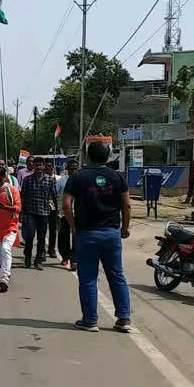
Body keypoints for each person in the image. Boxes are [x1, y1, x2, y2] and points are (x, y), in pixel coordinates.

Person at [63, 142, 132, 333]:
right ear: (108, 155)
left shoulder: (78, 176)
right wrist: (124, 228)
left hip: (87, 234)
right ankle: (124, 319)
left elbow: (66, 205)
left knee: (88, 278)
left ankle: (90, 320)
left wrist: (74, 227)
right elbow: (126, 206)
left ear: (87, 156)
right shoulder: (117, 176)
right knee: (116, 275)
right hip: (111, 233)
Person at [21, 157, 58, 270]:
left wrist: (57, 211)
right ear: (33, 166)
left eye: (40, 165)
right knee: (30, 237)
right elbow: (23, 196)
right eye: (36, 165)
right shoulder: (27, 179)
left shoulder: (49, 180)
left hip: (44, 213)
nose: (38, 167)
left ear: (43, 167)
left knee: (41, 238)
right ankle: (27, 256)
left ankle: (38, 260)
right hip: (30, 212)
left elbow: (54, 196)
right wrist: (21, 213)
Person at [57, 159, 79, 269]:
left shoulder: (82, 181)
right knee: (63, 236)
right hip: (64, 214)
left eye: (75, 169)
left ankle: (74, 259)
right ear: (67, 170)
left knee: (76, 237)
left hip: (78, 214)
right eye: (71, 169)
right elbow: (55, 196)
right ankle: (65, 257)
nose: (73, 171)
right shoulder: (61, 181)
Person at [44, 159, 60, 259]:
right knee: (42, 230)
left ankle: (52, 249)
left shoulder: (58, 179)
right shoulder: (41, 178)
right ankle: (42, 250)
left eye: (50, 166)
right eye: (46, 166)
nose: (48, 168)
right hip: (42, 206)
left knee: (53, 230)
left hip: (54, 206)